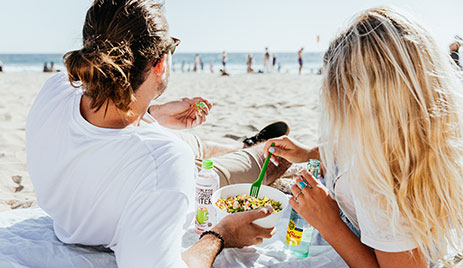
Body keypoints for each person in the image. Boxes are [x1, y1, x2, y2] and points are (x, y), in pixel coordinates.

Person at [26, 1, 291, 268]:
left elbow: (103, 129)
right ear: (160, 62)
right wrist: (222, 235)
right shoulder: (165, 160)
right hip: (177, 180)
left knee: (195, 143)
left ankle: (244, 144)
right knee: (275, 155)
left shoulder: (56, 89)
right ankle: (254, 147)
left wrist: (154, 113)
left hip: (134, 173)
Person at [264, 7, 463, 268]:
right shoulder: (414, 137)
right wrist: (309, 152)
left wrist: (329, 222)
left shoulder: (380, 188)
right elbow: (353, 146)